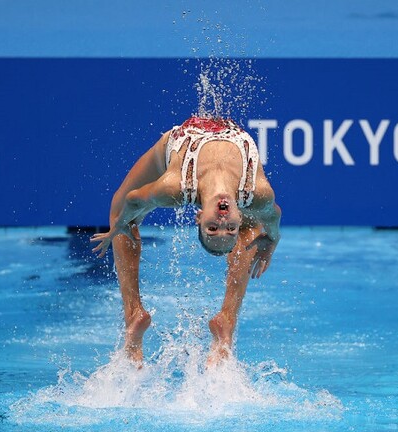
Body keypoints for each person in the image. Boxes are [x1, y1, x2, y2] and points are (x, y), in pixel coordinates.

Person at [90, 116, 281, 366]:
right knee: (253, 226)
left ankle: (134, 313)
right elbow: (275, 216)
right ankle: (227, 319)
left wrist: (119, 225)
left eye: (213, 228)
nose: (222, 221)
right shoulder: (257, 194)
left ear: (199, 217)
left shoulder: (175, 186)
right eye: (229, 227)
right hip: (230, 135)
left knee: (119, 207)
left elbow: (134, 199)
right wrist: (272, 240)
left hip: (185, 138)